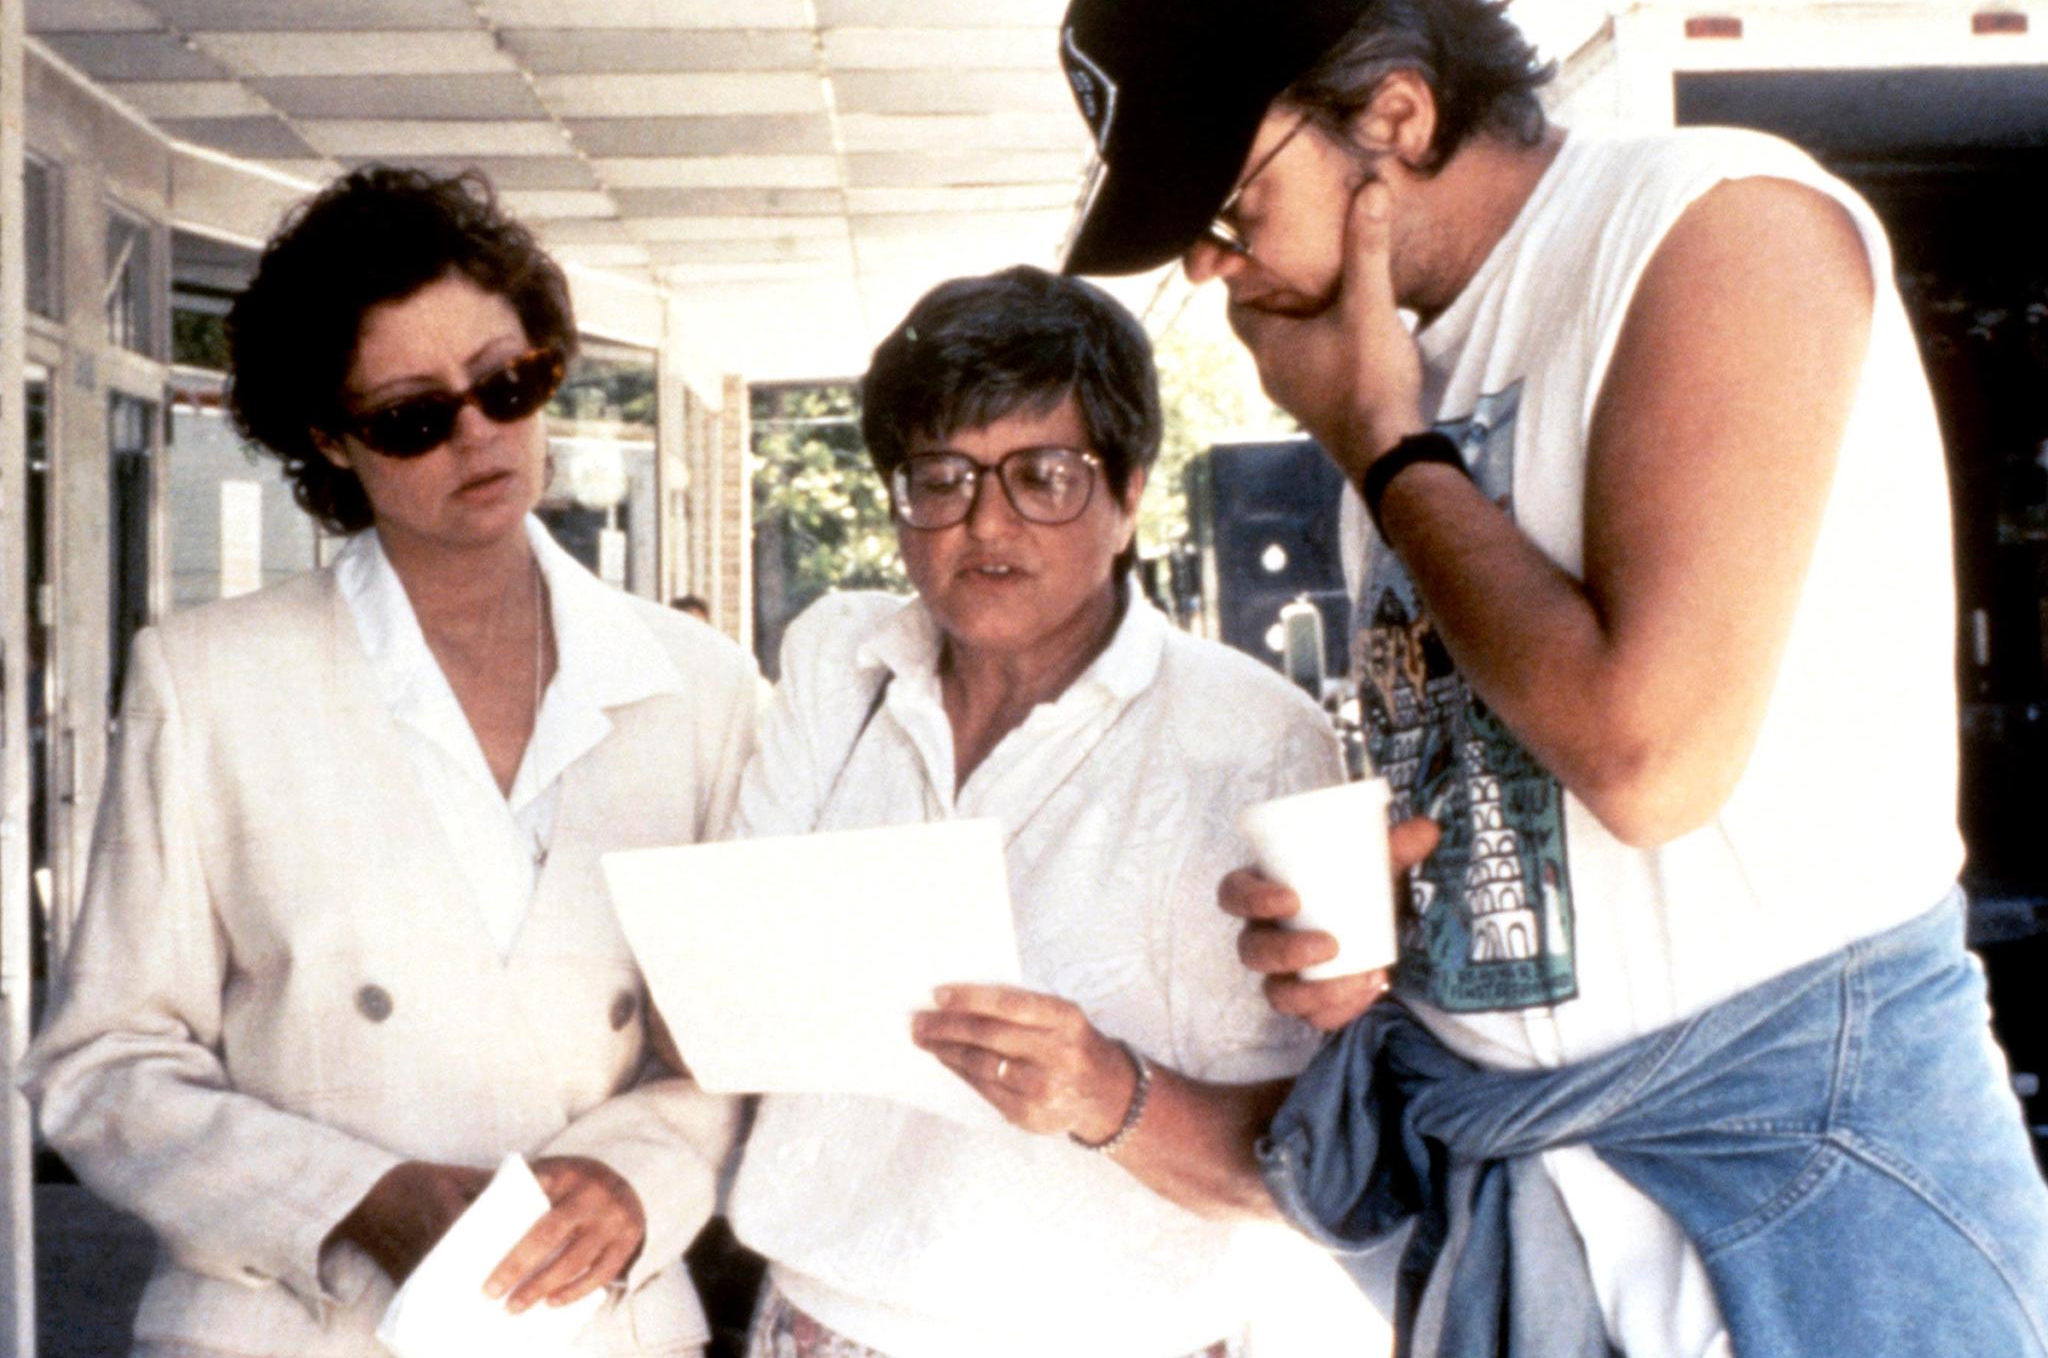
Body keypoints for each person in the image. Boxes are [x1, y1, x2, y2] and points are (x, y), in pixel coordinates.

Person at [1053, 0, 2048, 1358]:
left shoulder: (1716, 220)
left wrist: (1388, 455)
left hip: (1799, 1187)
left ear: (1392, 116)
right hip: (1535, 1206)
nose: (1210, 263)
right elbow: (1536, 819)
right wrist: (1388, 934)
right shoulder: (1393, 388)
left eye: (1229, 201)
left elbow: (1651, 759)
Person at [22, 167, 758, 1358]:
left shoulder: (701, 686)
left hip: (595, 1325)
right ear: (328, 436)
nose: (478, 434)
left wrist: (633, 1183)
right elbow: (101, 1062)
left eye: (509, 385)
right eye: (414, 415)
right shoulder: (210, 680)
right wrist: (349, 1196)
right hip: (289, 1330)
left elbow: (737, 1045)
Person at [722, 266, 1422, 1358]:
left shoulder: (1250, 738)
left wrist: (1107, 1093)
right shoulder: (839, 660)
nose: (985, 521)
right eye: (940, 477)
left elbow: (1296, 1162)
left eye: (1043, 475)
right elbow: (734, 974)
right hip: (821, 1325)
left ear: (1130, 490)